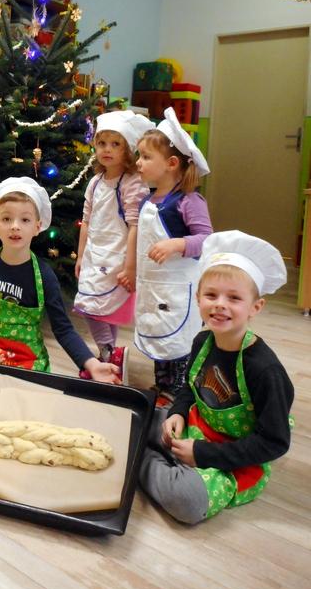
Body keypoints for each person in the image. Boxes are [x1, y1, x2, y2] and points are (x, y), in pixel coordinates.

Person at [139, 230, 294, 524]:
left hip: (234, 458)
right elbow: (190, 388)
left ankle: (139, 458)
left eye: (234, 298)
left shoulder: (265, 370)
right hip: (196, 427)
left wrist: (203, 454)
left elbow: (274, 443)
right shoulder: (202, 341)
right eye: (211, 295)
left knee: (187, 501)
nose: (220, 304)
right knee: (139, 415)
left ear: (256, 307)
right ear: (198, 298)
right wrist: (177, 412)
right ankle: (158, 455)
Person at [0, 176, 121, 383]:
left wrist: (91, 364)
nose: (15, 226)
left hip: (28, 360)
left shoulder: (45, 276)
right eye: (6, 219)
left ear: (37, 226)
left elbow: (63, 329)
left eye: (25, 220)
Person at [135, 107, 213, 404]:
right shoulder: (147, 200)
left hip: (179, 289)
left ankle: (180, 392)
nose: (138, 162)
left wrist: (177, 244)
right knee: (158, 333)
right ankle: (163, 386)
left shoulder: (189, 201)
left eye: (145, 157)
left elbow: (206, 240)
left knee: (178, 341)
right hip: (152, 285)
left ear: (171, 163)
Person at [74, 110, 152, 383]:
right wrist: (80, 256)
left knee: (98, 307)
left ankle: (107, 353)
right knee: (95, 306)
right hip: (94, 254)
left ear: (127, 150)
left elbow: (135, 226)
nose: (107, 149)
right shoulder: (95, 183)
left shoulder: (132, 183)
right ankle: (109, 356)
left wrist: (130, 266)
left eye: (115, 144)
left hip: (118, 256)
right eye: (102, 143)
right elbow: (86, 221)